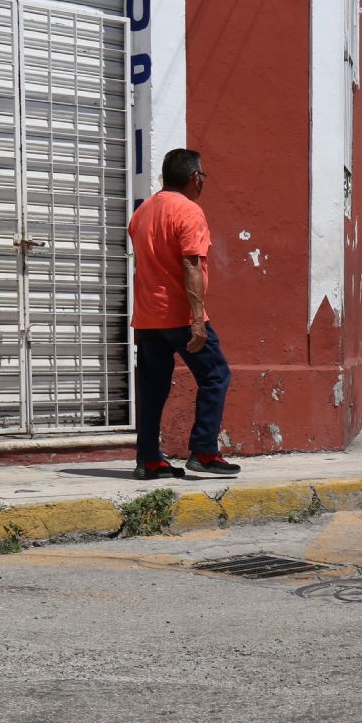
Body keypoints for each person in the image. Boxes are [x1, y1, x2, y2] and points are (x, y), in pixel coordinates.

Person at [128, 148, 241, 479]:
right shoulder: (189, 212)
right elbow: (191, 264)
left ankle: (149, 459)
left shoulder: (143, 212)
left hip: (148, 317)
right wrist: (196, 319)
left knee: (152, 388)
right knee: (216, 375)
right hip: (178, 315)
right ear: (195, 178)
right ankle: (204, 450)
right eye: (202, 176)